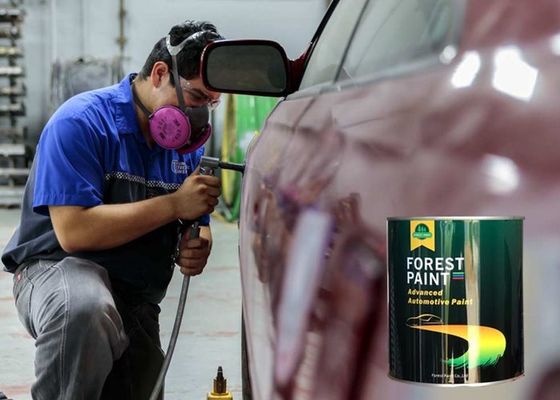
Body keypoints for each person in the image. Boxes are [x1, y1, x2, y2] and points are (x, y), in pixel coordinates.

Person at [1, 20, 224, 400]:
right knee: (84, 309)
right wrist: (173, 203)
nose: (200, 113)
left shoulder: (184, 148)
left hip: (133, 294)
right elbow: (74, 232)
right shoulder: (81, 122)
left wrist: (198, 242)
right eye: (197, 97)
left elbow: (195, 220)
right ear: (160, 74)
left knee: (141, 387)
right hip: (56, 270)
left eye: (212, 104)